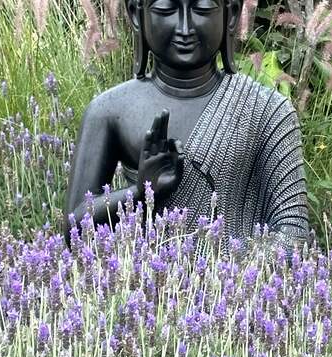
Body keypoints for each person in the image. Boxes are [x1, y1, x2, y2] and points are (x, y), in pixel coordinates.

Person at [61, 0, 310, 259]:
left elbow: (294, 232)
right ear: (136, 14)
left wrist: (229, 271)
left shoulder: (266, 109)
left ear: (232, 15)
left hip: (240, 279)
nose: (184, 28)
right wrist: (142, 193)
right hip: (144, 278)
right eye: (166, 10)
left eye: (202, 9)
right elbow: (74, 229)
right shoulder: (109, 110)